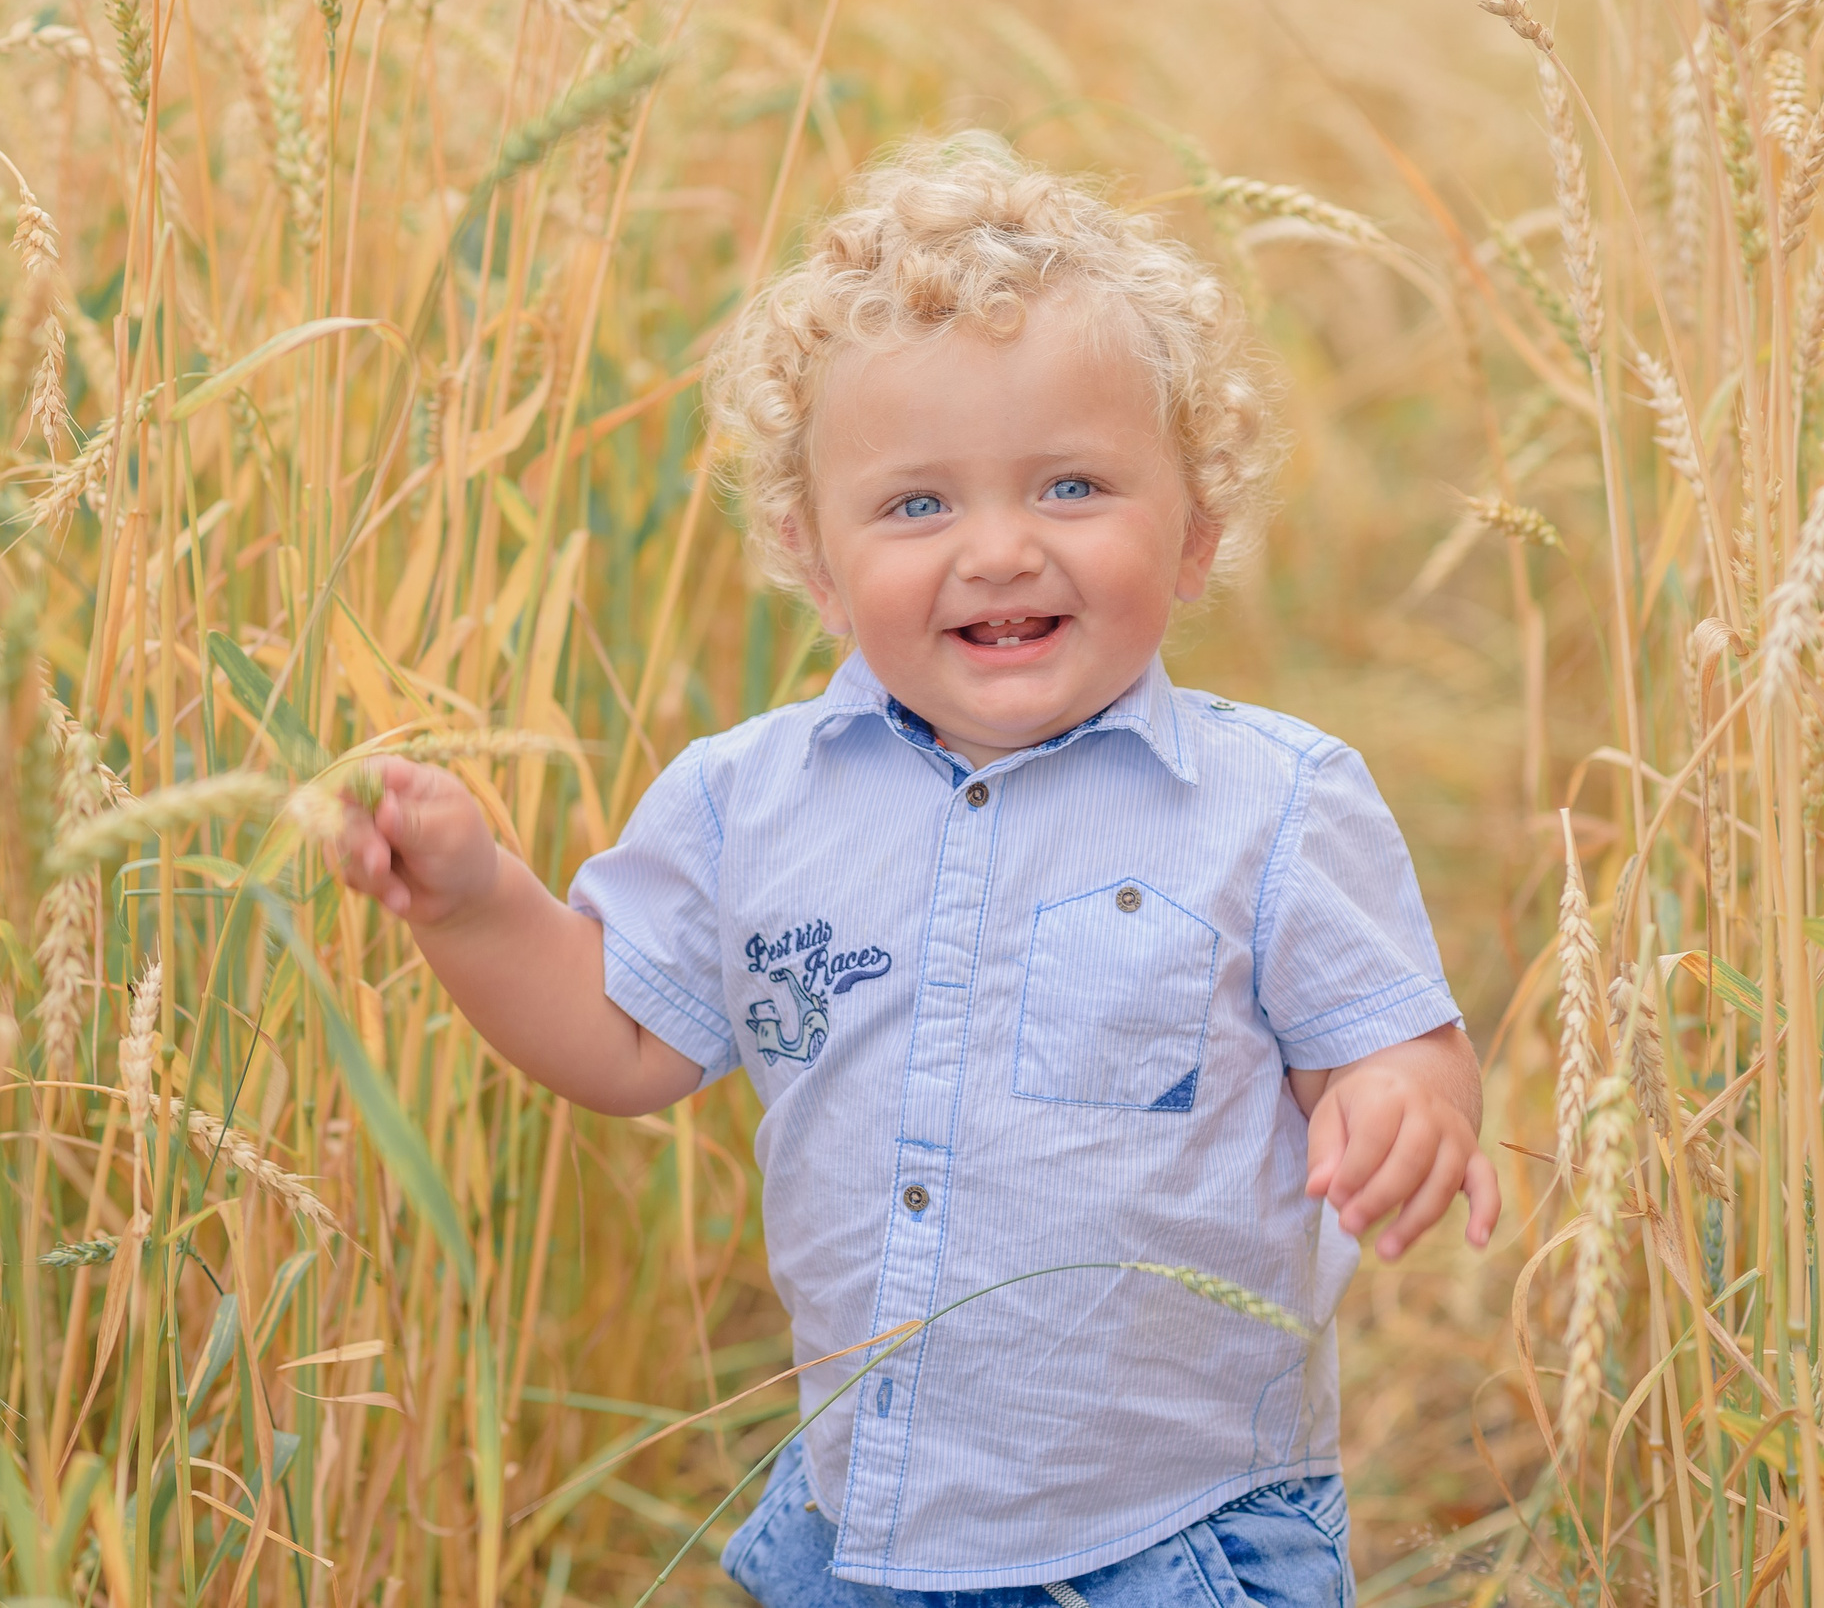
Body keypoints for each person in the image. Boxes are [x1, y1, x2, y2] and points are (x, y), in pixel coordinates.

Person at [333, 134, 1499, 1606]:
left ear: (1195, 533)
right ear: (816, 562)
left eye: (1073, 486)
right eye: (918, 506)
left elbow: (1397, 1041)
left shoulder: (1272, 804)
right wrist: (475, 900)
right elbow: (623, 1037)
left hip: (1175, 1535)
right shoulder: (748, 800)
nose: (1000, 549)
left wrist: (1403, 1100)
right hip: (861, 1523)